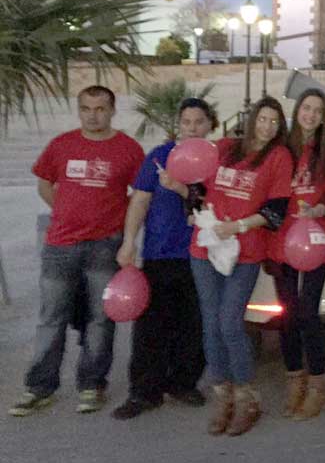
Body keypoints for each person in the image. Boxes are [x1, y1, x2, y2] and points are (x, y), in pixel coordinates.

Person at [9, 85, 144, 417]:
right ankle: (39, 387)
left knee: (101, 320)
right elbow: (45, 183)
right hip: (60, 245)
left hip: (105, 246)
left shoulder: (128, 149)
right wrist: (66, 213)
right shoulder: (61, 145)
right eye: (86, 108)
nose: (93, 115)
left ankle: (92, 384)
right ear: (79, 110)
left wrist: (125, 238)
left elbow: (139, 196)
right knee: (50, 320)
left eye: (100, 108)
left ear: (112, 110)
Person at [190, 97, 292, 436]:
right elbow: (196, 184)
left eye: (274, 121)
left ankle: (248, 397)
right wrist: (194, 205)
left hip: (244, 251)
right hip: (205, 248)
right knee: (209, 323)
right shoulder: (225, 148)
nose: (267, 126)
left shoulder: (278, 157)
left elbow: (276, 210)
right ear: (252, 120)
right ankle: (223, 395)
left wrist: (238, 226)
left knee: (230, 322)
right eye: (262, 119)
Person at [111, 98, 218, 420]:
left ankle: (183, 383)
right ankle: (144, 392)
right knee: (151, 327)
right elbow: (140, 201)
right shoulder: (160, 157)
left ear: (210, 124)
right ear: (178, 125)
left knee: (193, 324)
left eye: (198, 122)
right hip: (159, 254)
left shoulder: (218, 161)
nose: (192, 128)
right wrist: (129, 242)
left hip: (202, 255)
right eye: (186, 122)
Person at [269, 88, 325, 419]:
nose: (311, 114)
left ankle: (317, 383)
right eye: (306, 108)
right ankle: (294, 379)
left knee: (309, 313)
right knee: (287, 313)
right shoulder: (281, 148)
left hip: (315, 239)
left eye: (317, 110)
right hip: (282, 242)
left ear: (323, 117)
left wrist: (320, 210)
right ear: (297, 111)